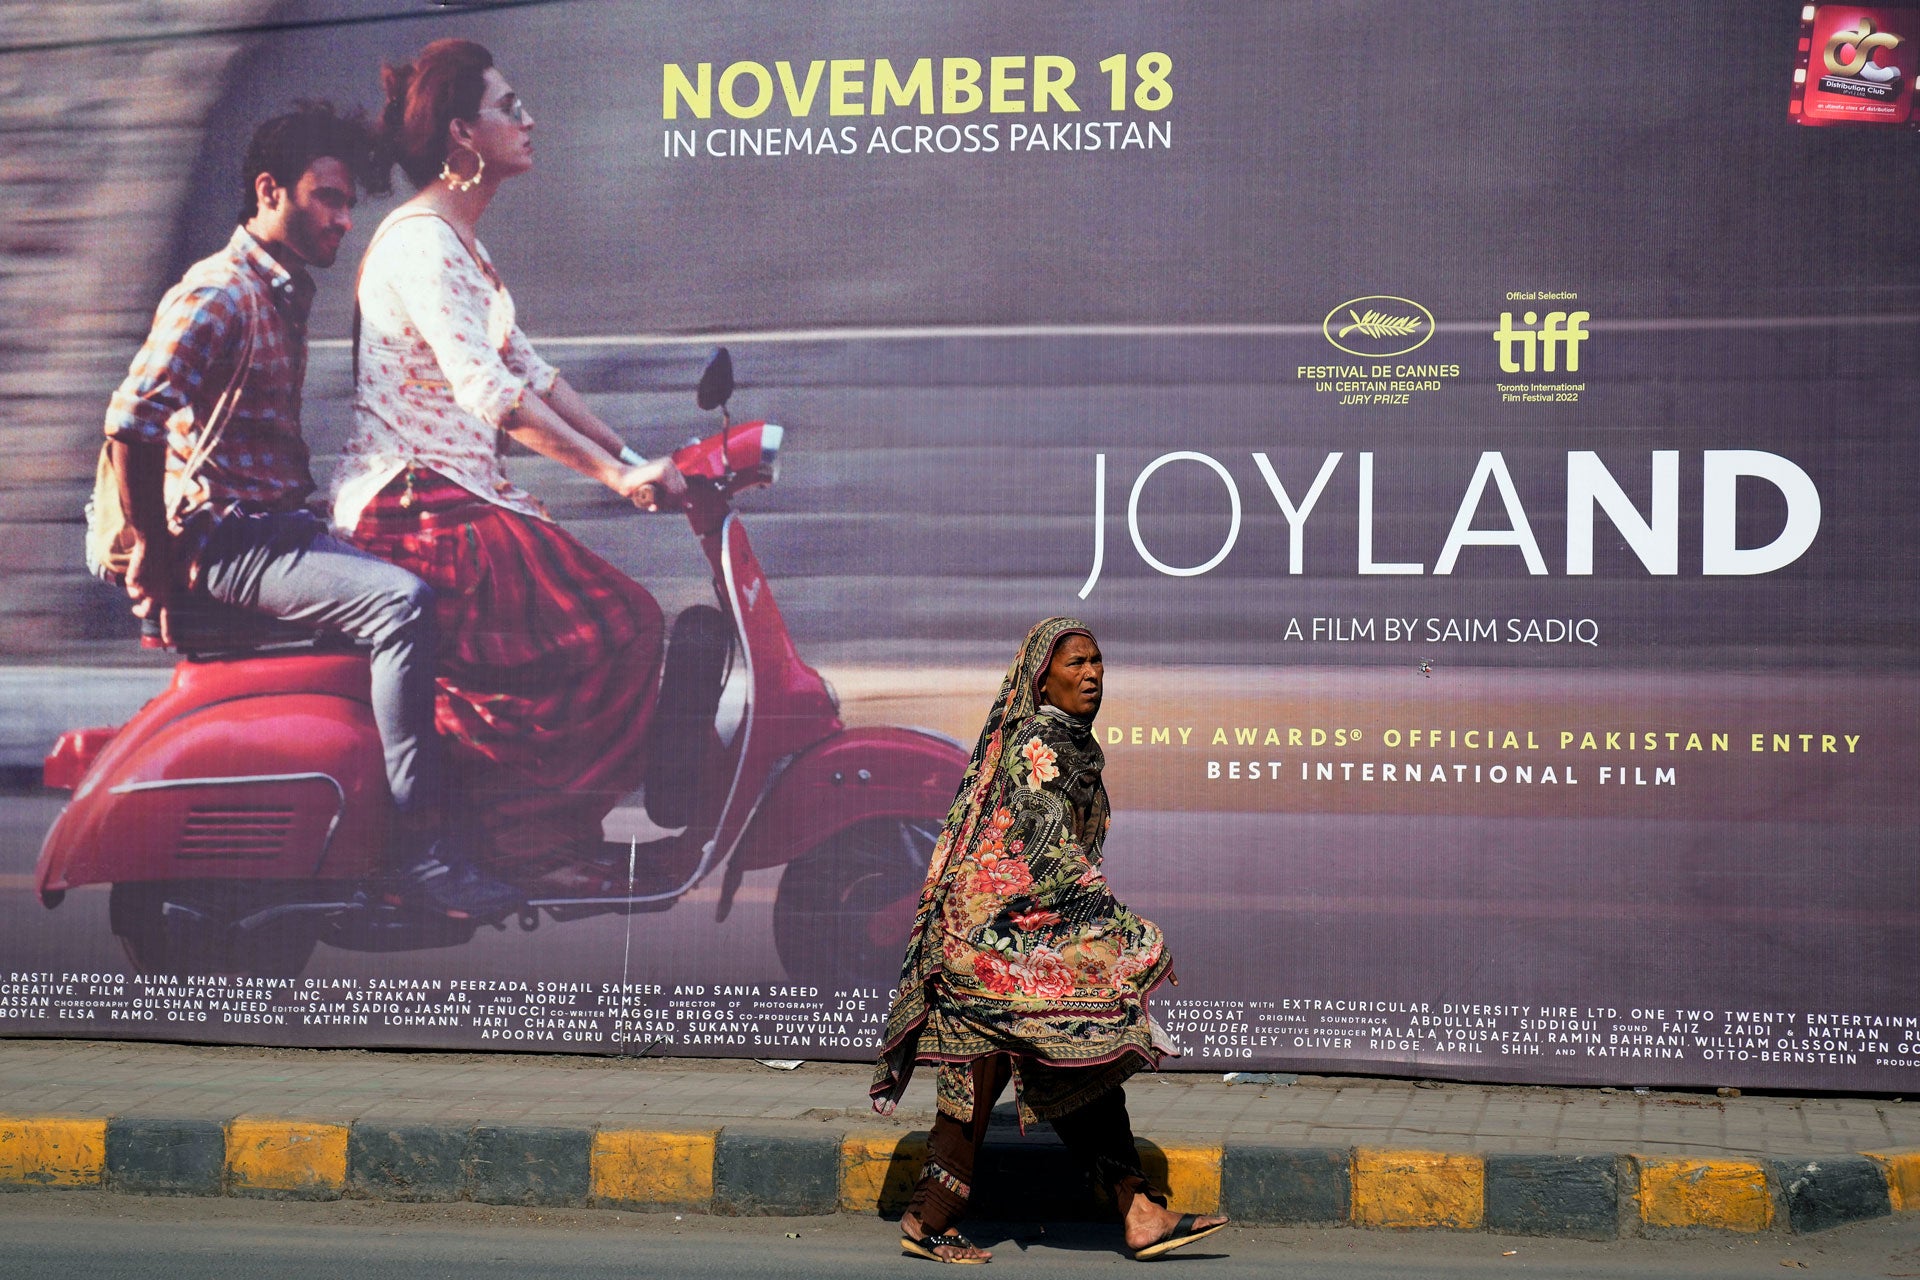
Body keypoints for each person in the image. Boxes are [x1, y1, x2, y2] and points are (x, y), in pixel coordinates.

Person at [104, 101, 520, 920]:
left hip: (270, 527)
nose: (341, 221)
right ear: (270, 191)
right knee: (400, 607)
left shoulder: (280, 291)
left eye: (348, 205)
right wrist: (152, 545)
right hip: (225, 541)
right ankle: (421, 848)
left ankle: (466, 815)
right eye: (327, 199)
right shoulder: (220, 293)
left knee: (447, 574)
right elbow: (132, 419)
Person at [331, 39, 686, 895]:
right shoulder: (421, 243)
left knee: (612, 628)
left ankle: (533, 827)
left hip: (450, 494)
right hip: (415, 504)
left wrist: (641, 461)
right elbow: (490, 391)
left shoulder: (461, 247)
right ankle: (532, 840)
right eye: (509, 106)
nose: (529, 120)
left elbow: (536, 375)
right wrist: (611, 477)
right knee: (622, 625)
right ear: (463, 133)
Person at [871, 617, 1229, 1263]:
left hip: (1023, 937)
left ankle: (1139, 1212)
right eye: (1077, 664)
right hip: (988, 942)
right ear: (1043, 676)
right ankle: (927, 1223)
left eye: (1097, 663)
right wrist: (1117, 924)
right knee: (979, 1082)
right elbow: (1045, 846)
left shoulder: (1068, 740)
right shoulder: (1041, 738)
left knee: (1078, 1059)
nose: (1092, 675)